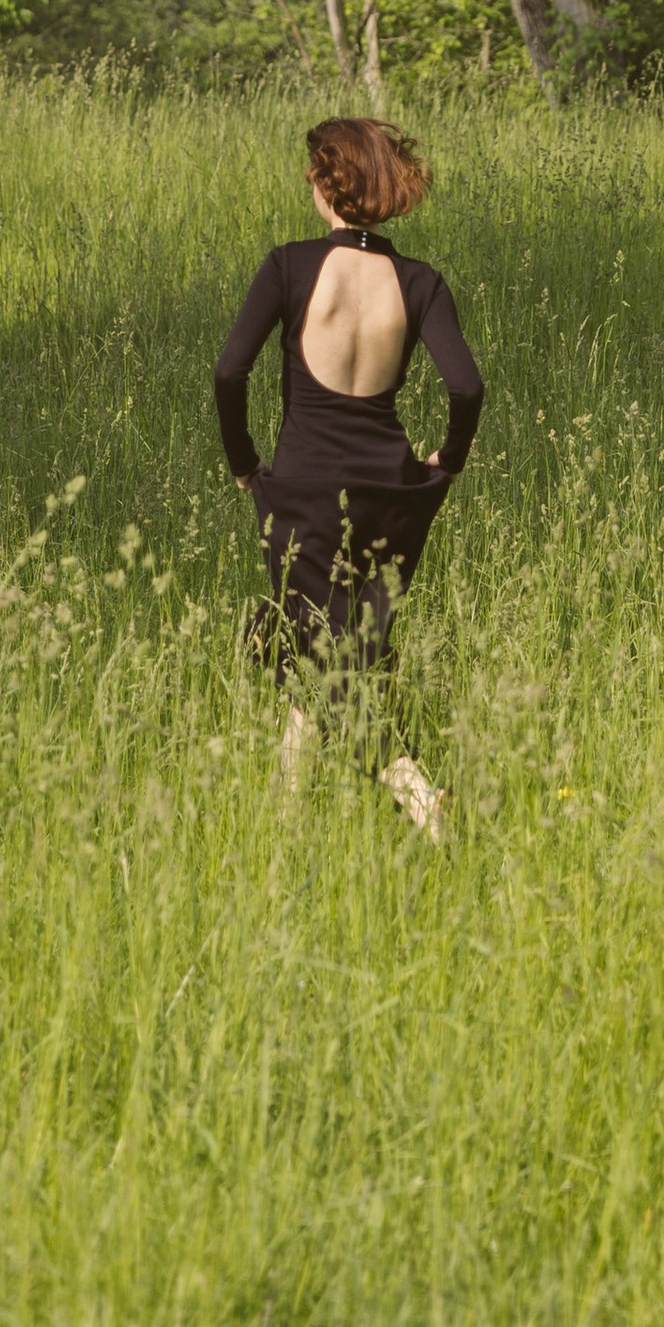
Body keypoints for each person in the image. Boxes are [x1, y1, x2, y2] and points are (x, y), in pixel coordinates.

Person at [211, 115, 485, 833]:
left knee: (319, 656)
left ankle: (418, 795)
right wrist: (448, 458)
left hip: (304, 493)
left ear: (325, 183)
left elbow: (229, 371)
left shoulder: (290, 266)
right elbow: (466, 387)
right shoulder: (419, 282)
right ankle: (285, 828)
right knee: (322, 651)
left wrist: (243, 463)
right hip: (389, 496)